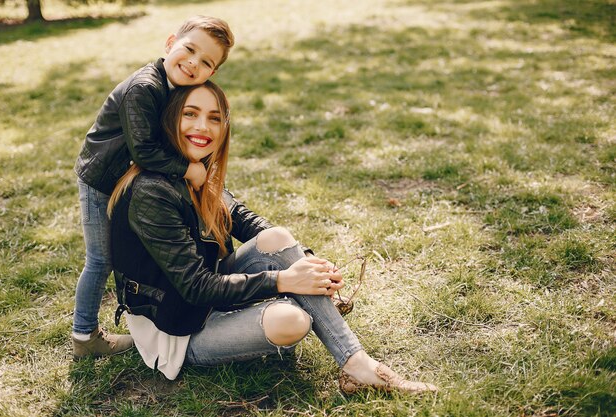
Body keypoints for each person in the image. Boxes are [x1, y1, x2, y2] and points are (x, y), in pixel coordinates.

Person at [107, 81, 439, 394]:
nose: (202, 127)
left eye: (214, 118)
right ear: (169, 120)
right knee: (293, 321)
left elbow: (246, 220)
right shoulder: (153, 192)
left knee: (276, 237)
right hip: (175, 329)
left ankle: (357, 363)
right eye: (190, 114)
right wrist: (284, 280)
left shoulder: (197, 173)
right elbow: (195, 287)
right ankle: (307, 312)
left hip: (208, 297)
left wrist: (307, 264)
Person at [71, 15, 235, 360]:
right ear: (170, 42)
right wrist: (189, 168)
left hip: (123, 174)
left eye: (206, 62)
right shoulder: (144, 87)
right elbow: (144, 149)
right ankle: (85, 336)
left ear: (213, 72)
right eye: (189, 50)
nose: (193, 63)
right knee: (100, 259)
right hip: (99, 178)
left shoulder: (171, 85)